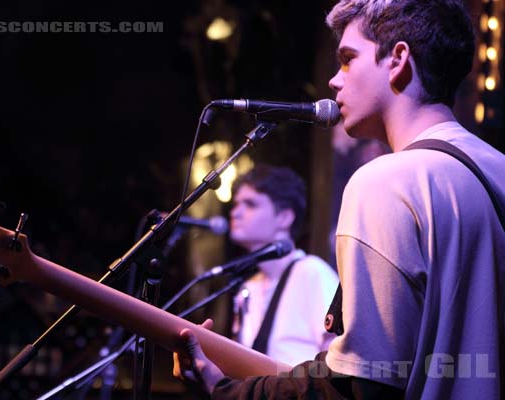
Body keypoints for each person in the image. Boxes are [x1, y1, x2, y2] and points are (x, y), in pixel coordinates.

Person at [172, 0, 505, 399]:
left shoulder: (385, 183)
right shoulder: (497, 168)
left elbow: (362, 386)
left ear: (398, 59)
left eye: (348, 59)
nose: (333, 81)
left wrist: (224, 390)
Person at [228, 164, 338, 366]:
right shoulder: (248, 287)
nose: (236, 213)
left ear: (284, 217)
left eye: (250, 204)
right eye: (236, 204)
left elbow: (337, 363)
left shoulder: (312, 272)